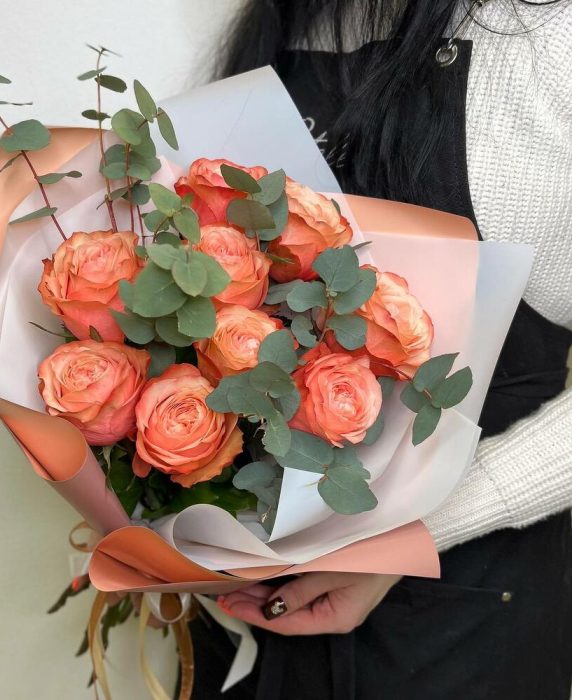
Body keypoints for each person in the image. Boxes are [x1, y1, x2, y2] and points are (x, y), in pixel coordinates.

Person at [188, 1, 572, 698]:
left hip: (465, 617)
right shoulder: (289, 22)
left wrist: (416, 532)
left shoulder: (552, 45)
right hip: (251, 613)